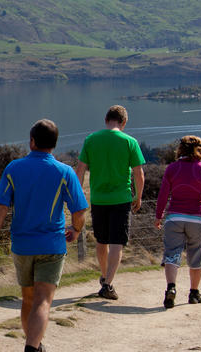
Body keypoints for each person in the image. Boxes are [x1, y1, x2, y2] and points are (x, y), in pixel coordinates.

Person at [0, 119, 88, 352]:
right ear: (54, 144)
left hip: (22, 246)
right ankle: (33, 346)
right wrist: (76, 229)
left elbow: (0, 208)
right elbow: (80, 211)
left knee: (28, 300)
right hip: (52, 245)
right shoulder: (65, 172)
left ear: (32, 141)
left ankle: (34, 345)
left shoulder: (13, 168)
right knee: (43, 301)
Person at [75, 105, 145, 300]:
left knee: (101, 240)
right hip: (121, 198)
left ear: (106, 120)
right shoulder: (130, 141)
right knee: (117, 242)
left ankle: (105, 276)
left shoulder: (91, 140)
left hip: (98, 199)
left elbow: (80, 170)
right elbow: (139, 173)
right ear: (123, 122)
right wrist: (138, 196)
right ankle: (108, 284)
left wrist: (78, 196)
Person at [153, 135, 201, 309]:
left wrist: (159, 216)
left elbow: (163, 195)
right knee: (196, 256)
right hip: (198, 218)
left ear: (180, 150)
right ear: (200, 150)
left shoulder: (172, 169)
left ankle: (171, 288)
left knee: (172, 254)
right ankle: (194, 293)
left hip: (175, 218)